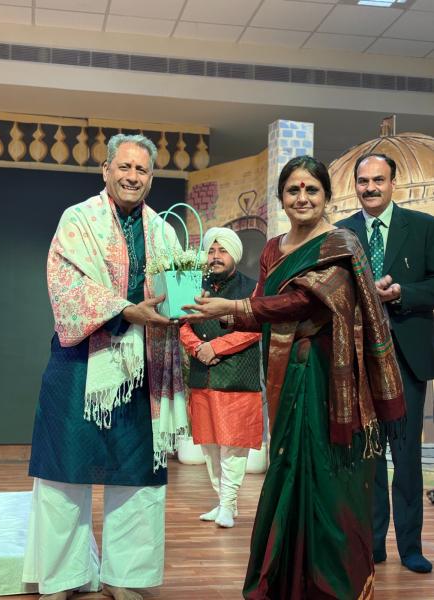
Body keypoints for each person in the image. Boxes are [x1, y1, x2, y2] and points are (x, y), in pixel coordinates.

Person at [181, 155, 405, 599]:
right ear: (281, 198)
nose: (302, 198)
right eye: (293, 190)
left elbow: (304, 303)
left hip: (328, 376)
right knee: (287, 469)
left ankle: (333, 583)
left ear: (326, 196)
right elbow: (264, 307)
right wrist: (219, 314)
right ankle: (284, 579)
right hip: (285, 373)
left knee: (328, 475)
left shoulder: (339, 244)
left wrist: (235, 307)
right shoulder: (272, 249)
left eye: (311, 190)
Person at [22, 134, 188, 600]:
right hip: (79, 362)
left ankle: (125, 577)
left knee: (137, 473)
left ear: (151, 178)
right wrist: (126, 309)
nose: (132, 177)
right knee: (63, 471)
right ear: (106, 170)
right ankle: (63, 576)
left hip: (142, 366)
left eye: (142, 170)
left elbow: (176, 292)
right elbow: (66, 287)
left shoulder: (163, 231)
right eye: (125, 167)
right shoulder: (77, 220)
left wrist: (182, 304)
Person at [337, 153, 434, 574]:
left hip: (406, 356)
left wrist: (402, 293)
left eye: (378, 180)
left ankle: (410, 547)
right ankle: (372, 545)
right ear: (355, 186)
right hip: (360, 358)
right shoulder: (341, 233)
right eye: (363, 181)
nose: (370, 187)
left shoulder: (424, 227)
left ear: (394, 183)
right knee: (370, 454)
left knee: (406, 454)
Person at [180, 227, 262, 528]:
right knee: (210, 444)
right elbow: (182, 322)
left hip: (237, 378)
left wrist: (215, 347)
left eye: (222, 251)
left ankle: (228, 504)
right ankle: (223, 502)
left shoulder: (252, 288)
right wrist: (197, 348)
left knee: (233, 444)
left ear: (234, 255)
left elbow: (255, 328)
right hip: (203, 376)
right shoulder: (193, 285)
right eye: (211, 251)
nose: (216, 257)